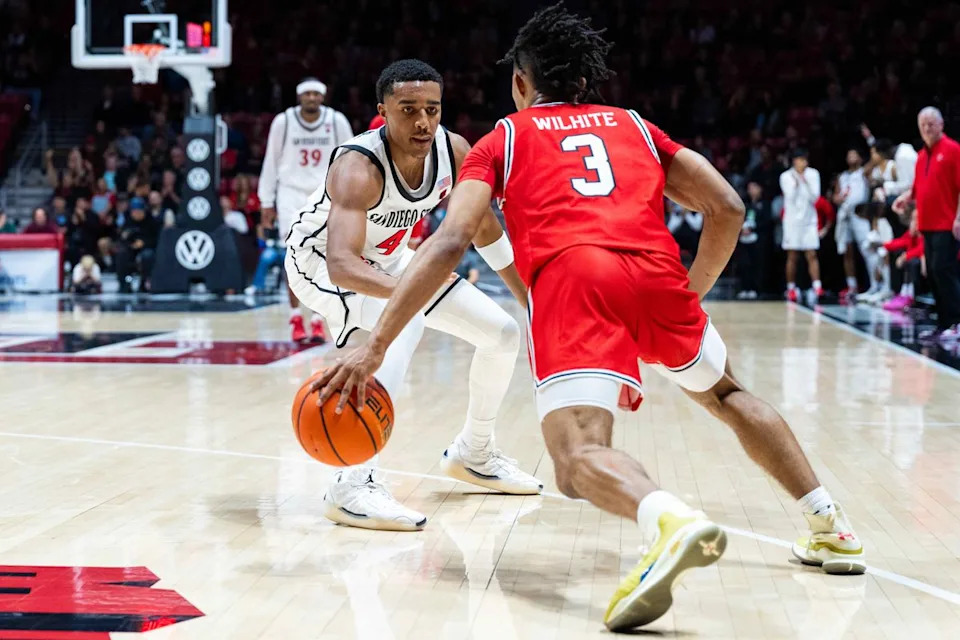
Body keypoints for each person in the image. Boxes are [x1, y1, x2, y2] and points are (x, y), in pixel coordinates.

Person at [314, 6, 864, 631]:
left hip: (577, 283)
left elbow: (447, 242)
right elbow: (728, 207)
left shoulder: (503, 139)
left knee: (575, 460)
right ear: (582, 79)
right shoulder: (635, 125)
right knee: (729, 395)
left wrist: (376, 343)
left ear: (521, 83)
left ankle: (666, 517)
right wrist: (686, 295)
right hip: (658, 273)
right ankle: (830, 527)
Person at [285, 59, 542, 532]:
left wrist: (528, 299)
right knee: (407, 321)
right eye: (408, 110)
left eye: (432, 109)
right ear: (383, 111)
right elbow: (342, 262)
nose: (422, 122)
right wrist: (414, 290)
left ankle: (475, 451)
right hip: (319, 262)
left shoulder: (455, 152)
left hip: (392, 261)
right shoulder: (357, 166)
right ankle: (351, 485)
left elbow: (484, 227)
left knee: (503, 334)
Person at [258, 77, 354, 343]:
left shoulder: (336, 121)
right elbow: (271, 161)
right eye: (307, 94)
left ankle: (316, 319)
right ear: (299, 97)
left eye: (316, 94)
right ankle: (294, 317)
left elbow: (351, 159)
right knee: (293, 257)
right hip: (289, 194)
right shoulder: (284, 122)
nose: (311, 98)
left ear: (323, 97)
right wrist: (266, 200)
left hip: (325, 194)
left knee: (321, 258)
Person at [893, 107, 960, 344]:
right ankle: (943, 324)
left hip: (947, 223)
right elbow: (919, 186)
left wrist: (958, 218)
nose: (927, 128)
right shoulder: (922, 155)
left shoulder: (953, 150)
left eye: (931, 123)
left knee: (944, 271)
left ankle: (955, 322)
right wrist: (906, 197)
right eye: (923, 124)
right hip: (927, 224)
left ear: (941, 125)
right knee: (932, 273)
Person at [780, 148, 823, 302]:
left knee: (811, 254)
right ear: (794, 161)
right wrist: (797, 180)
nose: (803, 163)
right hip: (792, 221)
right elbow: (790, 196)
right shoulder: (785, 176)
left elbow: (815, 197)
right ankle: (791, 288)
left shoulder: (813, 174)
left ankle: (817, 287)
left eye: (805, 160)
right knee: (792, 256)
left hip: (809, 221)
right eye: (800, 159)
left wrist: (804, 179)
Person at [833, 148, 870, 302]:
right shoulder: (842, 176)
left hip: (860, 214)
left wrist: (870, 140)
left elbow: (874, 161)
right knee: (846, 251)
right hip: (845, 215)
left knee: (867, 249)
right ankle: (852, 285)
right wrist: (838, 199)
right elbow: (835, 196)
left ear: (861, 158)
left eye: (854, 154)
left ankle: (875, 284)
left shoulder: (864, 172)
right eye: (849, 155)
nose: (851, 157)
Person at [883, 210, 925, 311]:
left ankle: (909, 295)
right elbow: (902, 241)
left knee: (911, 261)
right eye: (912, 219)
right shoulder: (911, 234)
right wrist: (883, 244)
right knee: (899, 256)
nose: (913, 222)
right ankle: (903, 293)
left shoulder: (924, 234)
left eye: (916, 219)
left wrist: (905, 256)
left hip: (923, 264)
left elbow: (922, 249)